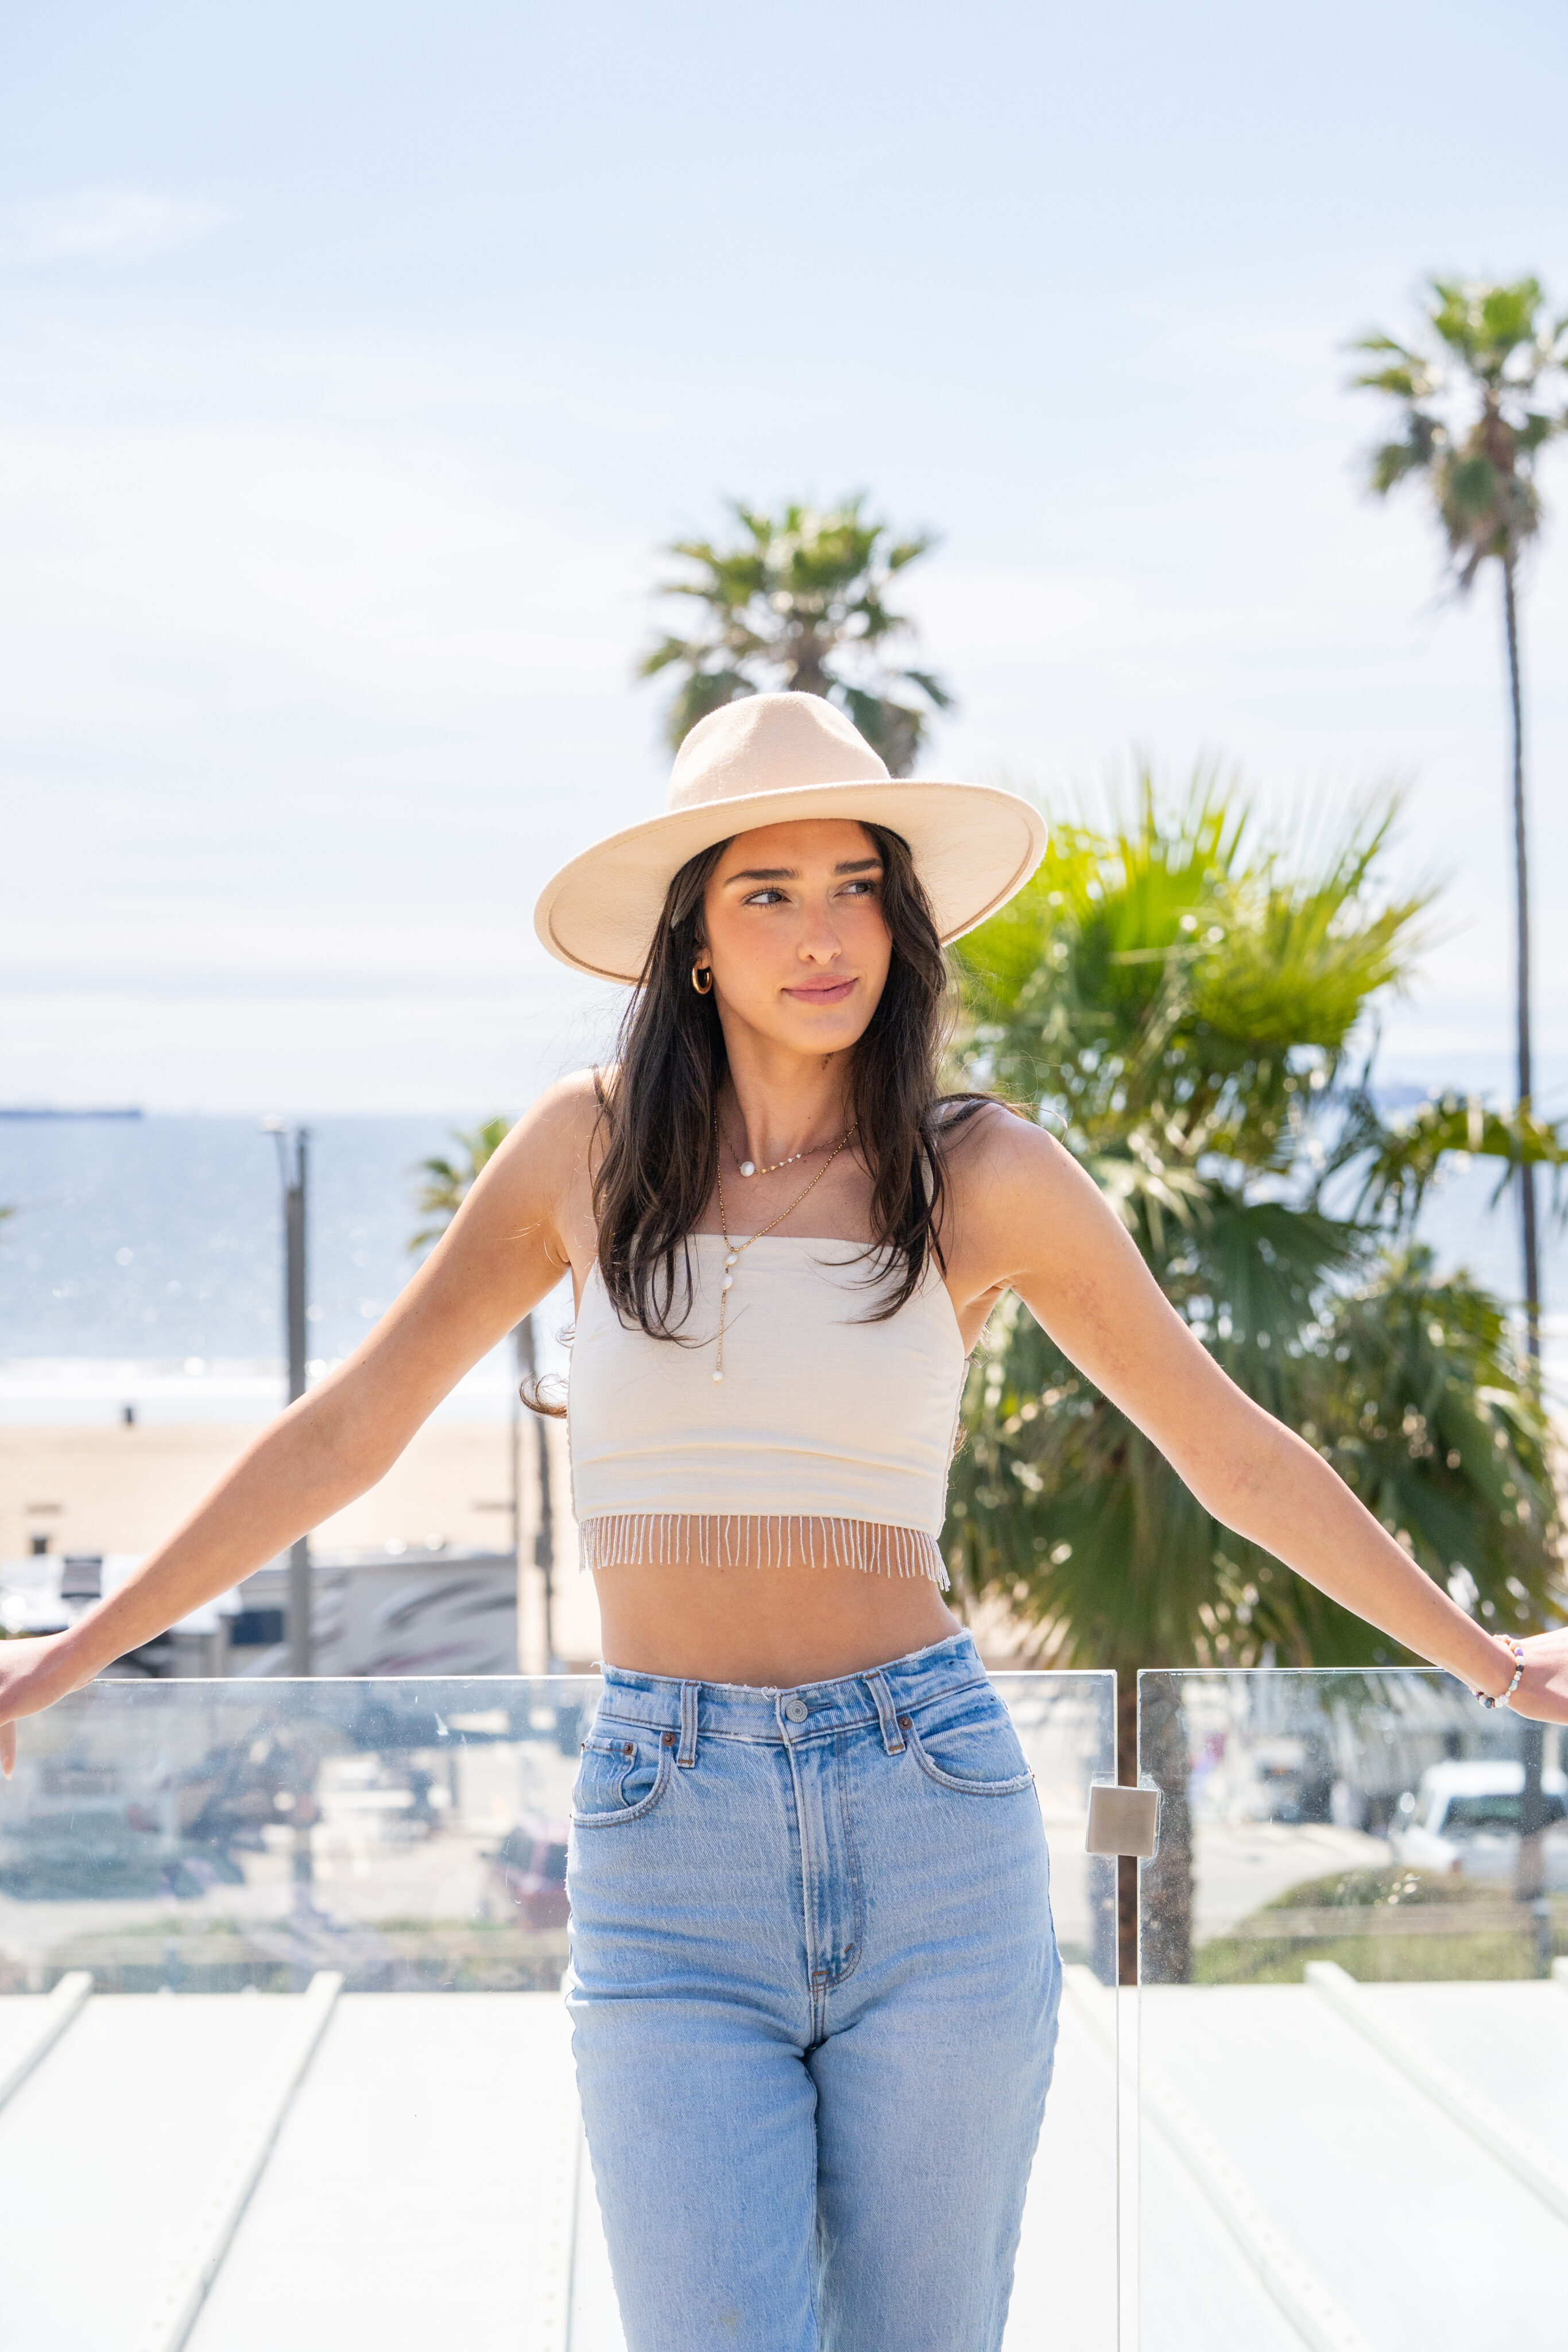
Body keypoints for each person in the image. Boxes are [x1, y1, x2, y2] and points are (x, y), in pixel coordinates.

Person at [2, 691, 1565, 2351]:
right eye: (768, 892)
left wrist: (1483, 1657)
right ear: (690, 940)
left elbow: (1228, 1458)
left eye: (855, 885)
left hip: (930, 1813)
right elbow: (344, 1437)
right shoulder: (577, 1156)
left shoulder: (982, 1174)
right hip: (665, 1839)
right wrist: (64, 1662)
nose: (822, 935)